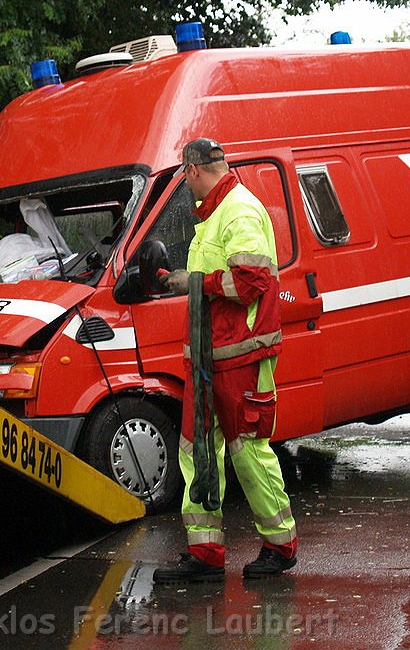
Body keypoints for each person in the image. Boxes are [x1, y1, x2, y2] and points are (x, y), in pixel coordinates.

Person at [153, 138, 297, 583]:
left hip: (241, 357)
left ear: (193, 170)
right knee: (198, 452)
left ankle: (280, 545)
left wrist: (194, 281)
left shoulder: (238, 210)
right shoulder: (216, 214)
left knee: (248, 451)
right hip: (210, 360)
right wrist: (181, 282)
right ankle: (205, 554)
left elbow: (250, 283)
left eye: (184, 176)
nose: (185, 184)